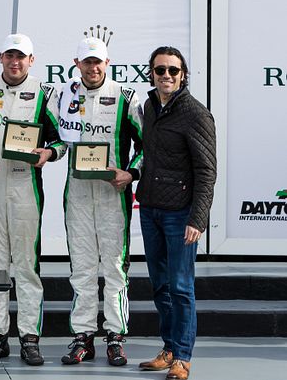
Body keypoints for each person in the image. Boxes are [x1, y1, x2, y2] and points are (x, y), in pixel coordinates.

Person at [0, 34, 67, 366]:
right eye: (10, 56)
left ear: (32, 60)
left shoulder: (45, 92)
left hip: (25, 184)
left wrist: (49, 153)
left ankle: (29, 337)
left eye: (21, 57)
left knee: (26, 266)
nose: (15, 62)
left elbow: (62, 140)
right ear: (1, 57)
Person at [57, 36, 144, 366]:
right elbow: (57, 139)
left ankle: (115, 337)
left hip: (113, 195)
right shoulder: (65, 94)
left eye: (98, 62)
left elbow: (147, 145)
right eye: (87, 62)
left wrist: (130, 174)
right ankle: (82, 337)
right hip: (77, 194)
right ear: (76, 64)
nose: (93, 67)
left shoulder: (125, 97)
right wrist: (48, 151)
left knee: (114, 268)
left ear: (107, 63)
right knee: (81, 268)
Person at [136, 47, 216, 380]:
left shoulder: (196, 114)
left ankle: (182, 357)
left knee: (181, 288)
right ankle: (169, 348)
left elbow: (207, 170)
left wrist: (198, 218)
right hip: (150, 209)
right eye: (159, 70)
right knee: (159, 286)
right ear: (151, 73)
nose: (166, 76)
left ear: (183, 74)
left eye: (173, 70)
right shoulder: (150, 106)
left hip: (180, 215)